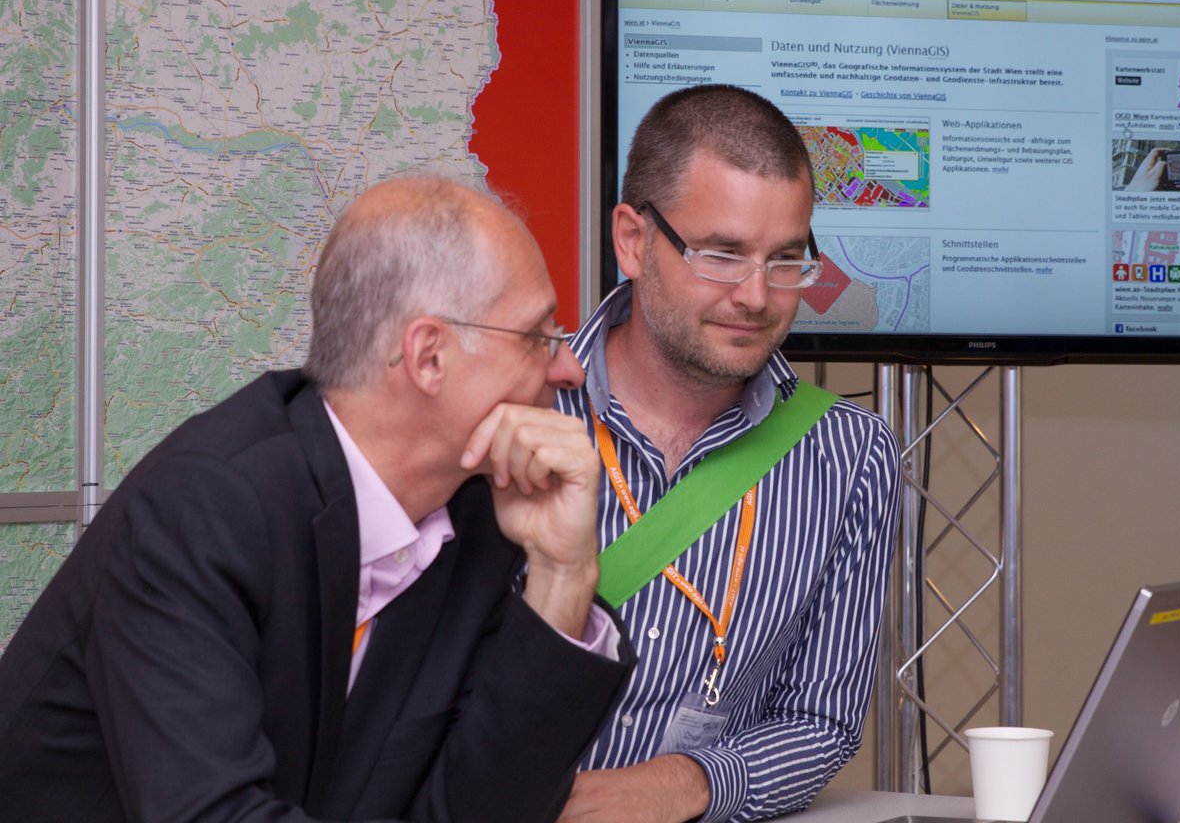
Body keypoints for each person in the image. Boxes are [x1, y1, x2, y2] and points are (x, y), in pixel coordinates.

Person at [0, 176, 634, 822]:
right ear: (430, 356)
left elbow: (482, 807)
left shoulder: (479, 514)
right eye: (537, 335)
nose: (569, 369)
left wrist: (563, 574)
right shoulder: (207, 505)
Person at [556, 85, 902, 823]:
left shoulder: (849, 456)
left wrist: (684, 785)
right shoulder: (511, 411)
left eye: (786, 260)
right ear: (632, 239)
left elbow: (821, 721)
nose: (756, 296)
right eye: (722, 254)